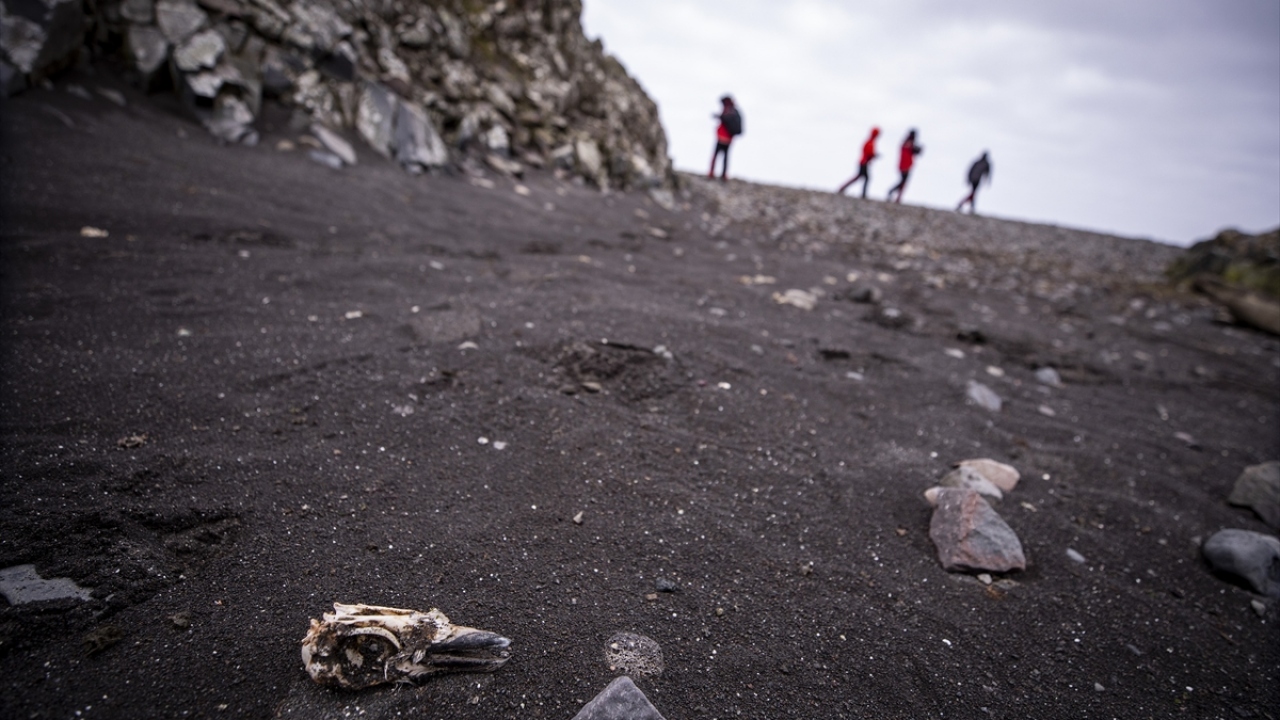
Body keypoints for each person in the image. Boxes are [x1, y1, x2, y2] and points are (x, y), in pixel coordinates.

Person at [837, 127, 879, 198]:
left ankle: (843, 187)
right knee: (864, 178)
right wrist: (874, 155)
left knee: (861, 177)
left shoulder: (869, 141)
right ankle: (862, 194)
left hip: (863, 162)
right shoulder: (870, 142)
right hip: (864, 162)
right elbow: (868, 153)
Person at [708, 95, 742, 181]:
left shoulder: (728, 111)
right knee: (725, 157)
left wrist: (719, 116)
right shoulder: (734, 111)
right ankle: (724, 175)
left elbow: (725, 119)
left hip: (722, 138)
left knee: (716, 155)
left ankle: (712, 172)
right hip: (729, 140)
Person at [886, 129, 923, 203]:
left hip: (904, 165)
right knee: (903, 182)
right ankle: (894, 193)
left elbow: (915, 152)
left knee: (903, 182)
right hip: (905, 166)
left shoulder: (906, 143)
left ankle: (897, 197)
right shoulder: (909, 144)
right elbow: (915, 152)